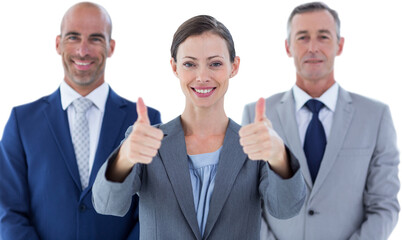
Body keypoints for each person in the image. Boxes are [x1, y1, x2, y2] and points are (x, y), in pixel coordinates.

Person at [92, 15, 306, 239]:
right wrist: (125, 156)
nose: (202, 76)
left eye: (215, 64)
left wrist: (279, 155)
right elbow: (107, 204)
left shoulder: (256, 145)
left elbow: (286, 208)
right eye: (189, 64)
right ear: (174, 67)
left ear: (234, 66)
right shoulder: (147, 141)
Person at [0, 2, 161, 240]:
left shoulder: (144, 121)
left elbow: (152, 212)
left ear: (111, 47)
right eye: (73, 37)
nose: (83, 50)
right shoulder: (22, 122)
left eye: (95, 39)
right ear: (58, 43)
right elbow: (8, 211)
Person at [242, 2, 400, 240]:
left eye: (323, 37)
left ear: (340, 44)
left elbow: (384, 205)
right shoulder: (257, 115)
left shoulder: (375, 117)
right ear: (288, 47)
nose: (313, 47)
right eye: (303, 37)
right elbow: (246, 203)